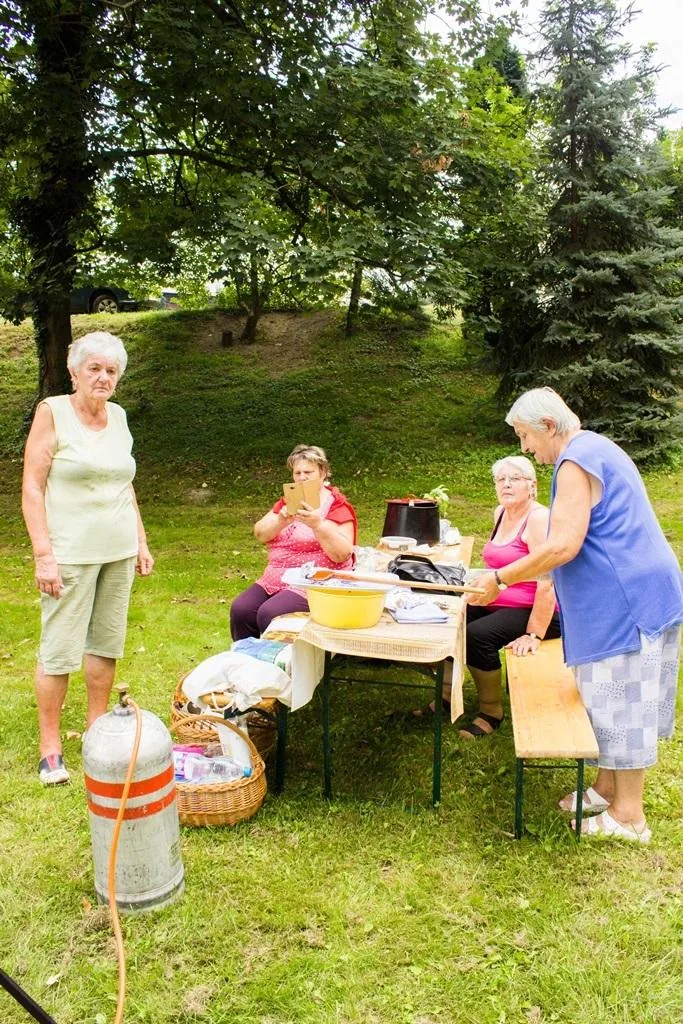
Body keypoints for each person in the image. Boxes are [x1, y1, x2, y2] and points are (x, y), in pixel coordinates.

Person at [468, 387, 682, 842]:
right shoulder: (592, 448)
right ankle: (605, 790)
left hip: (627, 598)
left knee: (622, 702)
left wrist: (501, 578)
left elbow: (564, 544)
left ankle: (629, 817)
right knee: (603, 700)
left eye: (526, 436)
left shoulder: (575, 461)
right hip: (628, 591)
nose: (525, 447)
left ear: (548, 426)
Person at [22, 331, 153, 786]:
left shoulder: (117, 417)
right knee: (59, 651)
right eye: (94, 368)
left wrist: (140, 539)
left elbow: (125, 482)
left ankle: (96, 734)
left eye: (111, 370)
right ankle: (51, 748)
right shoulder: (52, 412)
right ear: (74, 372)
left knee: (105, 644)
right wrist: (43, 555)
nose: (102, 377)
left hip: (116, 552)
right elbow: (33, 487)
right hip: (70, 553)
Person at [458, 455, 561, 739]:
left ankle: (491, 711)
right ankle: (446, 696)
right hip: (502, 599)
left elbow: (548, 581)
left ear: (532, 485)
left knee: (477, 635)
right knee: (451, 618)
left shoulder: (538, 519)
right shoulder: (500, 512)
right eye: (501, 480)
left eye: (515, 479)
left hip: (541, 610)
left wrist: (534, 634)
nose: (506, 484)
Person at [230, 444, 357, 639]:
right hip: (276, 577)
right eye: (297, 472)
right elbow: (260, 534)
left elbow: (342, 554)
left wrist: (318, 525)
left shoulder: (336, 505)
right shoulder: (289, 500)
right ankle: (248, 660)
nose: (302, 477)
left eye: (308, 471)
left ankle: (281, 664)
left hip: (315, 581)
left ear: (322, 472)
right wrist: (280, 520)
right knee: (241, 610)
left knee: (270, 613)